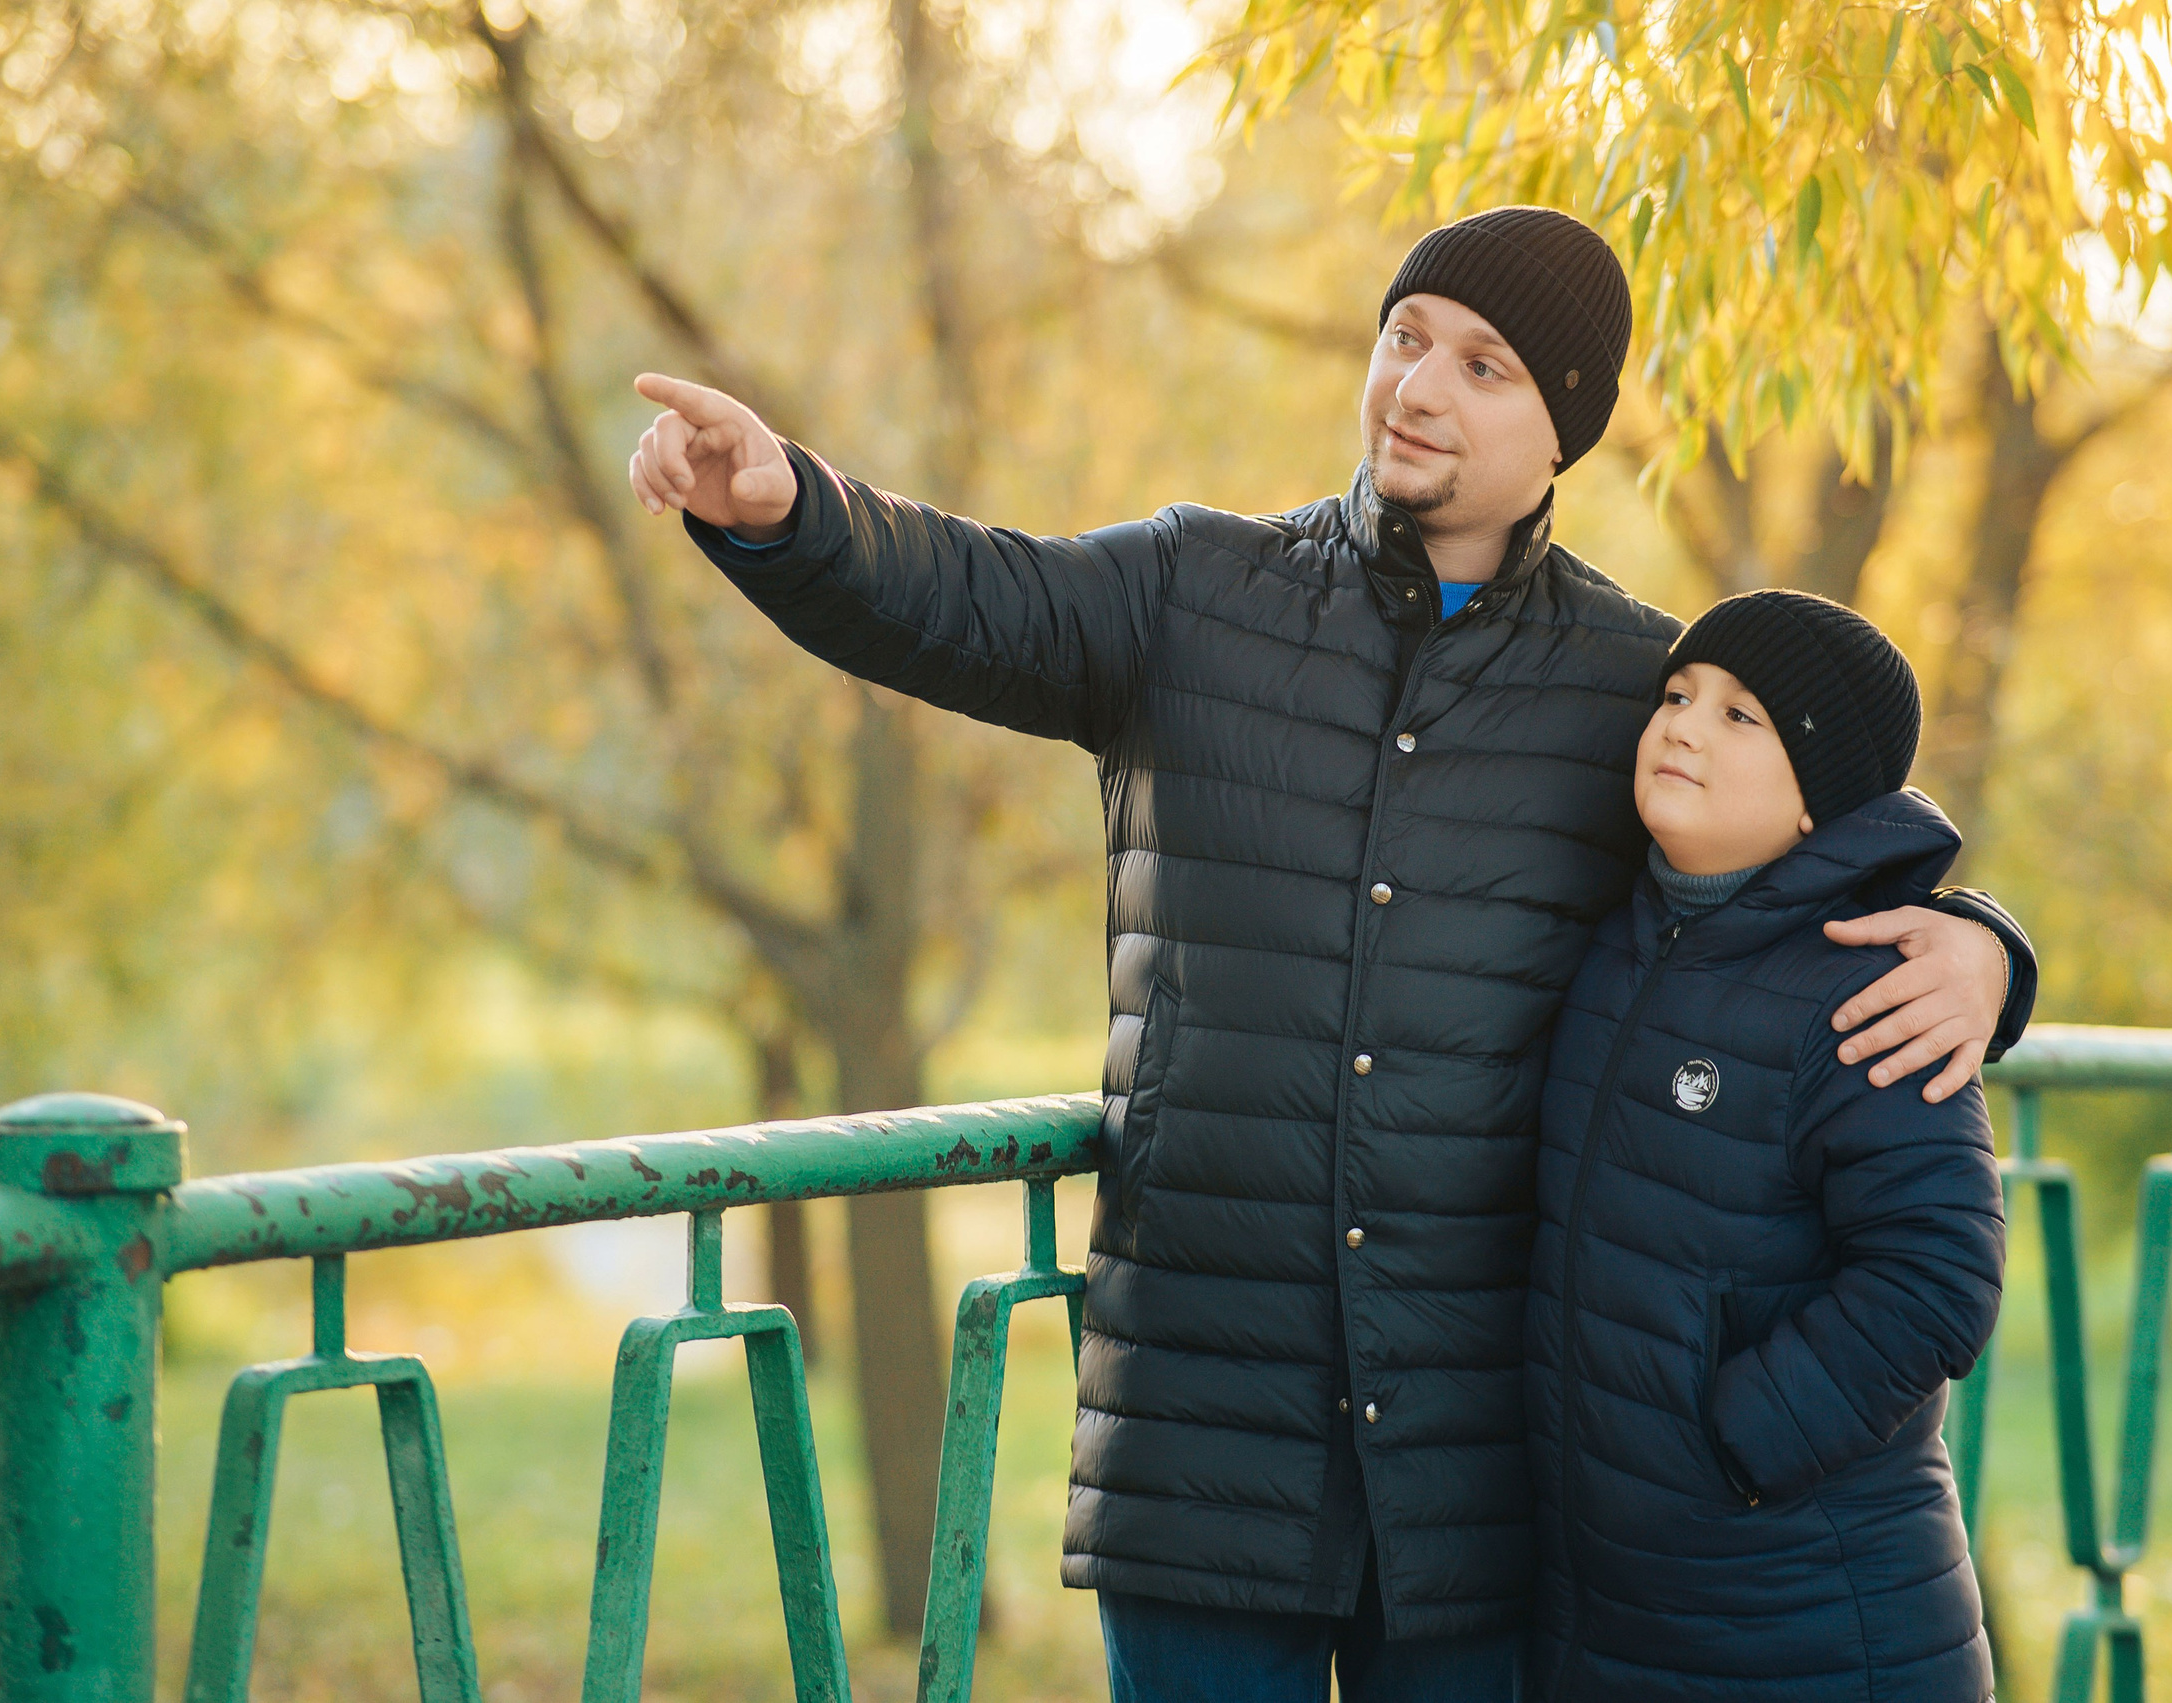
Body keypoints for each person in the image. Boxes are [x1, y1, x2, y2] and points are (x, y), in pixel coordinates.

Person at [624, 206, 2036, 1703]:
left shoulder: (1636, 683)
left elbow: (1791, 858)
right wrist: (791, 510)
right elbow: (971, 595)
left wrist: (1987, 948)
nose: (1417, 386)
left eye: (1485, 366)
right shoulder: (1190, 594)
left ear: (1564, 428)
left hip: (1475, 1485)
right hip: (1202, 1448)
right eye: (1405, 337)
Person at [1526, 590, 2006, 1701]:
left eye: (1744, 716)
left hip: (1812, 1616)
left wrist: (1735, 1443)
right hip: (1618, 1612)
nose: (1684, 725)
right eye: (1678, 695)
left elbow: (1936, 1278)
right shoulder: (1618, 941)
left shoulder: (1872, 988)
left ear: (1818, 801)